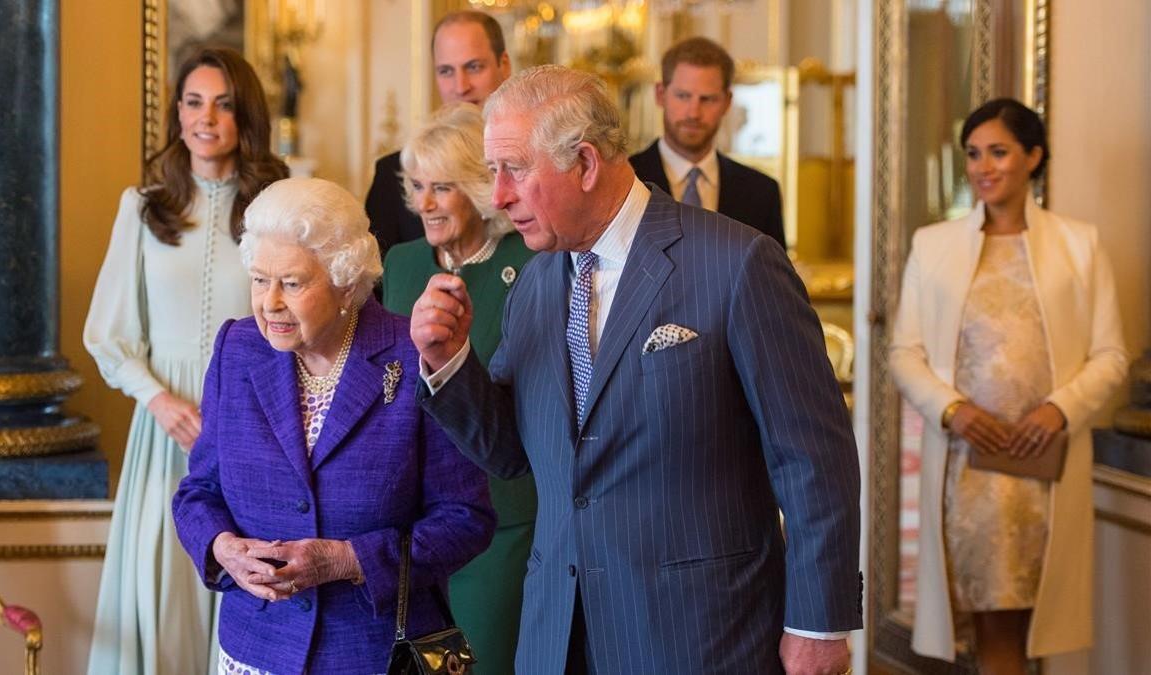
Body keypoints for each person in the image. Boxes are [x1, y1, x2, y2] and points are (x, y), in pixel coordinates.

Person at [411, 65, 861, 675]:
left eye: (514, 169)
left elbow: (813, 459)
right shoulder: (537, 284)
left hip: (700, 634)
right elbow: (516, 452)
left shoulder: (737, 265)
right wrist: (448, 363)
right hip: (556, 635)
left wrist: (818, 623)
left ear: (586, 164)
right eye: (494, 173)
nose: (499, 196)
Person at [172, 177, 496, 674]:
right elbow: (199, 491)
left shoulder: (411, 355)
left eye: (293, 283)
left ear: (345, 280)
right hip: (257, 650)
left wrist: (348, 560)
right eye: (260, 279)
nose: (270, 302)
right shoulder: (236, 349)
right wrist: (222, 549)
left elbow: (467, 518)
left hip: (375, 654)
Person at [890, 98, 1128, 673]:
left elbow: (1112, 356)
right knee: (990, 624)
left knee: (1029, 624)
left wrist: (1059, 410)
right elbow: (904, 353)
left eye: (998, 151)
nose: (983, 166)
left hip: (1044, 467)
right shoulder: (934, 244)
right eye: (973, 154)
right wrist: (951, 410)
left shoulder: (1079, 245)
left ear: (1033, 157)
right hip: (967, 471)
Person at [83, 46, 289, 675]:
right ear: (177, 115)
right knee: (165, 588)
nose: (207, 118)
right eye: (194, 102)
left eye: (223, 104)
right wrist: (159, 400)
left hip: (252, 430)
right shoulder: (143, 207)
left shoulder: (275, 208)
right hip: (163, 429)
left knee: (240, 584)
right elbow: (108, 332)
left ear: (244, 116)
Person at [382, 103, 536, 675]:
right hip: (414, 526)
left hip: (501, 521)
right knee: (427, 668)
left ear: (478, 186)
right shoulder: (399, 264)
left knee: (484, 665)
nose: (423, 203)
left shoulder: (532, 264)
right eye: (417, 186)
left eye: (441, 187)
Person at [365, 10, 512, 259]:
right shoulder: (392, 175)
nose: (460, 86)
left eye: (474, 67)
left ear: (504, 65)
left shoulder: (531, 167)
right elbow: (381, 291)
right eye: (446, 71)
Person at [628, 36, 786, 249]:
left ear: (727, 102)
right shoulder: (627, 180)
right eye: (683, 96)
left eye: (708, 99)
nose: (694, 113)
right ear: (660, 95)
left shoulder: (761, 192)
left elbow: (771, 279)